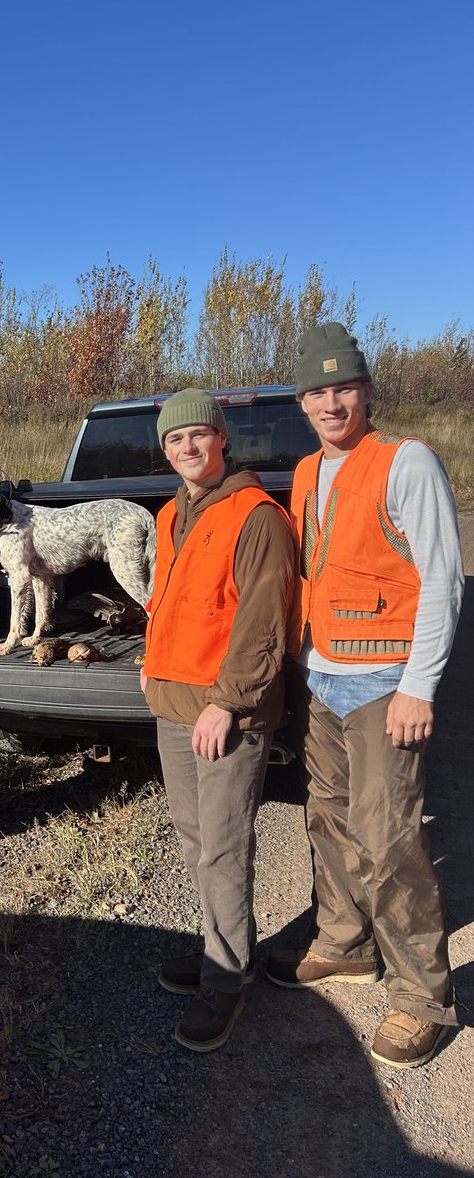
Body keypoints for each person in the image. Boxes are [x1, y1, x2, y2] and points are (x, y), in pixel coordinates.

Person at [266, 322, 463, 1069]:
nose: (330, 401)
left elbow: (442, 577)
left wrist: (419, 685)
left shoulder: (406, 463)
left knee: (391, 841)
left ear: (367, 391)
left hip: (386, 684)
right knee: (331, 822)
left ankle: (423, 997)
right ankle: (345, 944)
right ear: (303, 402)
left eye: (343, 387)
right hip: (322, 675)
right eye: (316, 391)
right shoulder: (309, 471)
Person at [141, 388, 296, 1052]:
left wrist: (228, 703)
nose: (189, 448)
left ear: (222, 439)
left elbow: (264, 624)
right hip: (173, 702)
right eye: (176, 440)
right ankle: (220, 950)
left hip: (223, 712)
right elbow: (169, 601)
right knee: (192, 837)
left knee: (225, 847)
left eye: (199, 435)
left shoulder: (257, 516)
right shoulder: (171, 513)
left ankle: (227, 980)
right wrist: (149, 662)